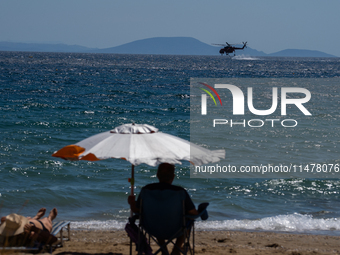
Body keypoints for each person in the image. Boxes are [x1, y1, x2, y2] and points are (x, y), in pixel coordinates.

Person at [128, 163, 198, 255]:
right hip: (176, 229)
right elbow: (193, 213)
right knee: (188, 220)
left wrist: (131, 202)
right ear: (173, 176)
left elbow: (136, 210)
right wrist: (200, 212)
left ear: (157, 175)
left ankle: (163, 248)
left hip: (152, 229)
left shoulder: (146, 190)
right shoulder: (180, 192)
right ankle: (176, 250)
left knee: (157, 217)